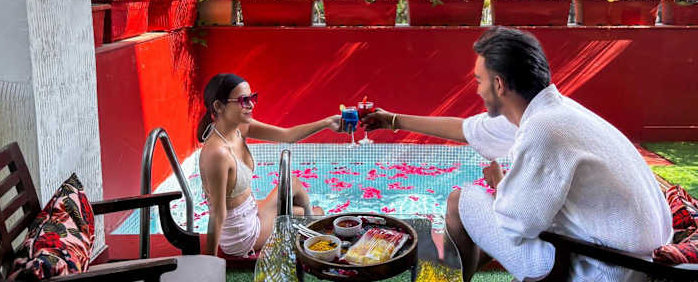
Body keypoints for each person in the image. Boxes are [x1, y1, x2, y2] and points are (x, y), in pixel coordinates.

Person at [362, 27, 672, 282]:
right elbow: (466, 129)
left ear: (499, 85)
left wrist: (500, 186)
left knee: (461, 201)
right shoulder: (552, 110)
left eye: (479, 81)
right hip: (631, 255)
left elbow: (517, 224)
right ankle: (447, 276)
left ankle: (443, 279)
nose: (477, 90)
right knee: (480, 215)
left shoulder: (543, 130)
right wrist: (392, 121)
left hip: (602, 268)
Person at [197, 73, 343, 257]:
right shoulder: (217, 153)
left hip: (249, 211)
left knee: (302, 205)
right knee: (310, 206)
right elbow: (217, 214)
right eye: (243, 100)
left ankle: (308, 219)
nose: (251, 105)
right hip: (241, 235)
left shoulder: (240, 127)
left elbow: (287, 135)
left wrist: (327, 123)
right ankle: (310, 221)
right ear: (219, 106)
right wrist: (210, 262)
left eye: (252, 98)